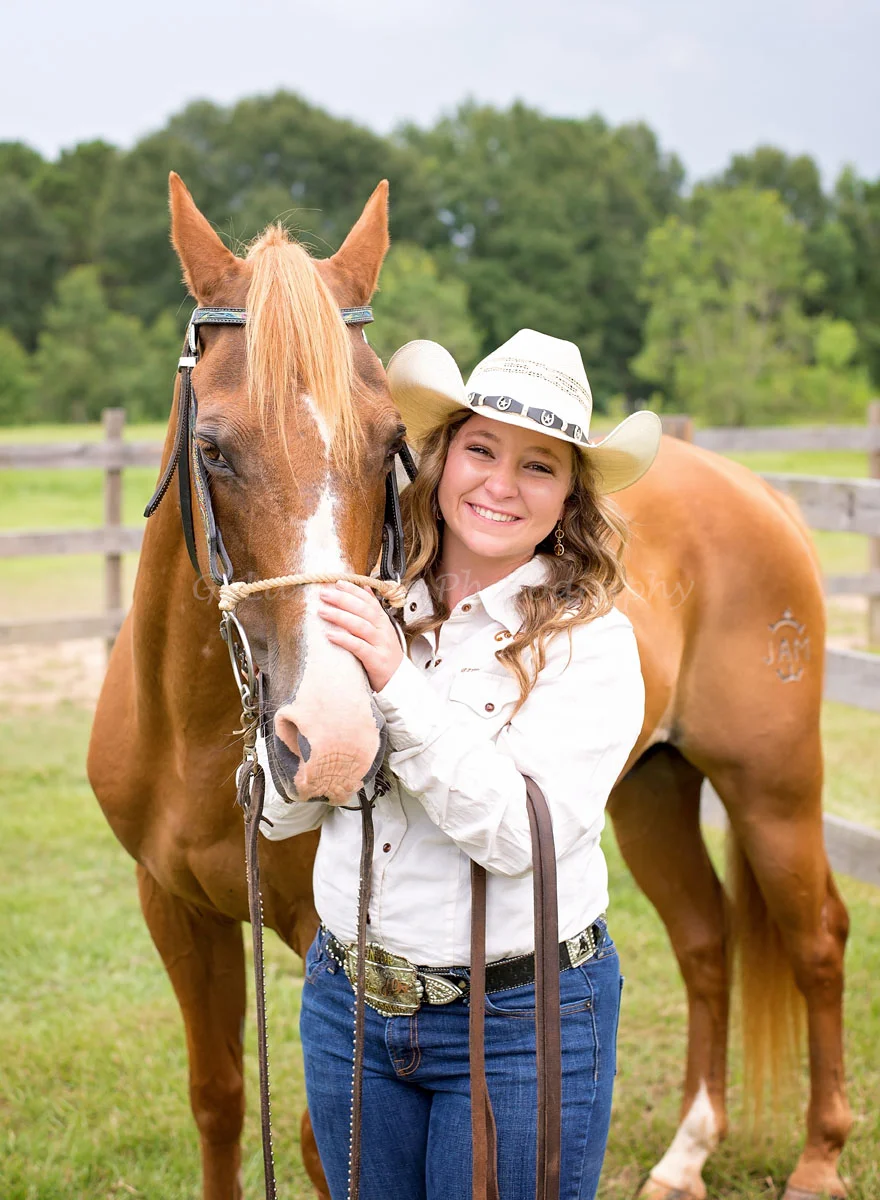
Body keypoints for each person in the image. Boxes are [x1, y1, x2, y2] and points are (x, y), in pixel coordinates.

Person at [258, 329, 662, 1200]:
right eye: (481, 450)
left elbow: (518, 839)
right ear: (441, 460)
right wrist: (296, 700)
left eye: (538, 466)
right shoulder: (368, 601)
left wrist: (395, 682)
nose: (500, 484)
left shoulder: (592, 644)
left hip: (520, 1019)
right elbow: (278, 815)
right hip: (349, 1004)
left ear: (569, 497)